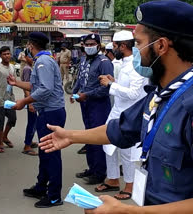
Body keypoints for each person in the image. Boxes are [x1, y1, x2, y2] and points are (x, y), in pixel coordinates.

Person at [39, 0, 193, 213]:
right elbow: (121, 128)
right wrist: (71, 136)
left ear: (161, 46)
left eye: (138, 43)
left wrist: (127, 211)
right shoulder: (162, 95)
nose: (135, 51)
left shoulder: (188, 103)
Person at [7, 32, 66, 208]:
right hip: (48, 112)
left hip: (51, 113)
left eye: (28, 46)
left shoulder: (42, 62)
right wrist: (16, 83)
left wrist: (24, 101)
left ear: (31, 46)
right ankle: (41, 187)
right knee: (44, 152)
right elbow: (37, 86)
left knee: (51, 154)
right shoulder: (44, 61)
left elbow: (45, 90)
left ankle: (54, 195)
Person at [96, 30, 148, 200]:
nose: (112, 49)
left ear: (123, 46)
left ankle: (130, 185)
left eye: (115, 46)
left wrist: (111, 85)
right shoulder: (125, 62)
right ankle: (112, 179)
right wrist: (115, 82)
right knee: (108, 146)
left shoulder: (136, 64)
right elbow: (125, 88)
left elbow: (134, 94)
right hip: (117, 111)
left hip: (130, 115)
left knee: (126, 152)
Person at [72, 33, 113, 185]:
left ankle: (100, 172)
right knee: (88, 136)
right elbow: (80, 79)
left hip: (99, 104)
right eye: (86, 44)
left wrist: (85, 95)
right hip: (86, 103)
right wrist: (75, 92)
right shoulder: (83, 60)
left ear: (98, 45)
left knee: (97, 138)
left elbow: (106, 89)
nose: (89, 47)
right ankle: (92, 167)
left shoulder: (104, 62)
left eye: (92, 44)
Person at [21, 54, 38, 156]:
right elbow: (26, 87)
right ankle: (27, 146)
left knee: (33, 122)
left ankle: (29, 141)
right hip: (31, 100)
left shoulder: (31, 67)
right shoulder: (27, 69)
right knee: (32, 123)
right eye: (31, 57)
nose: (33, 58)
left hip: (33, 99)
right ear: (26, 58)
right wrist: (30, 103)